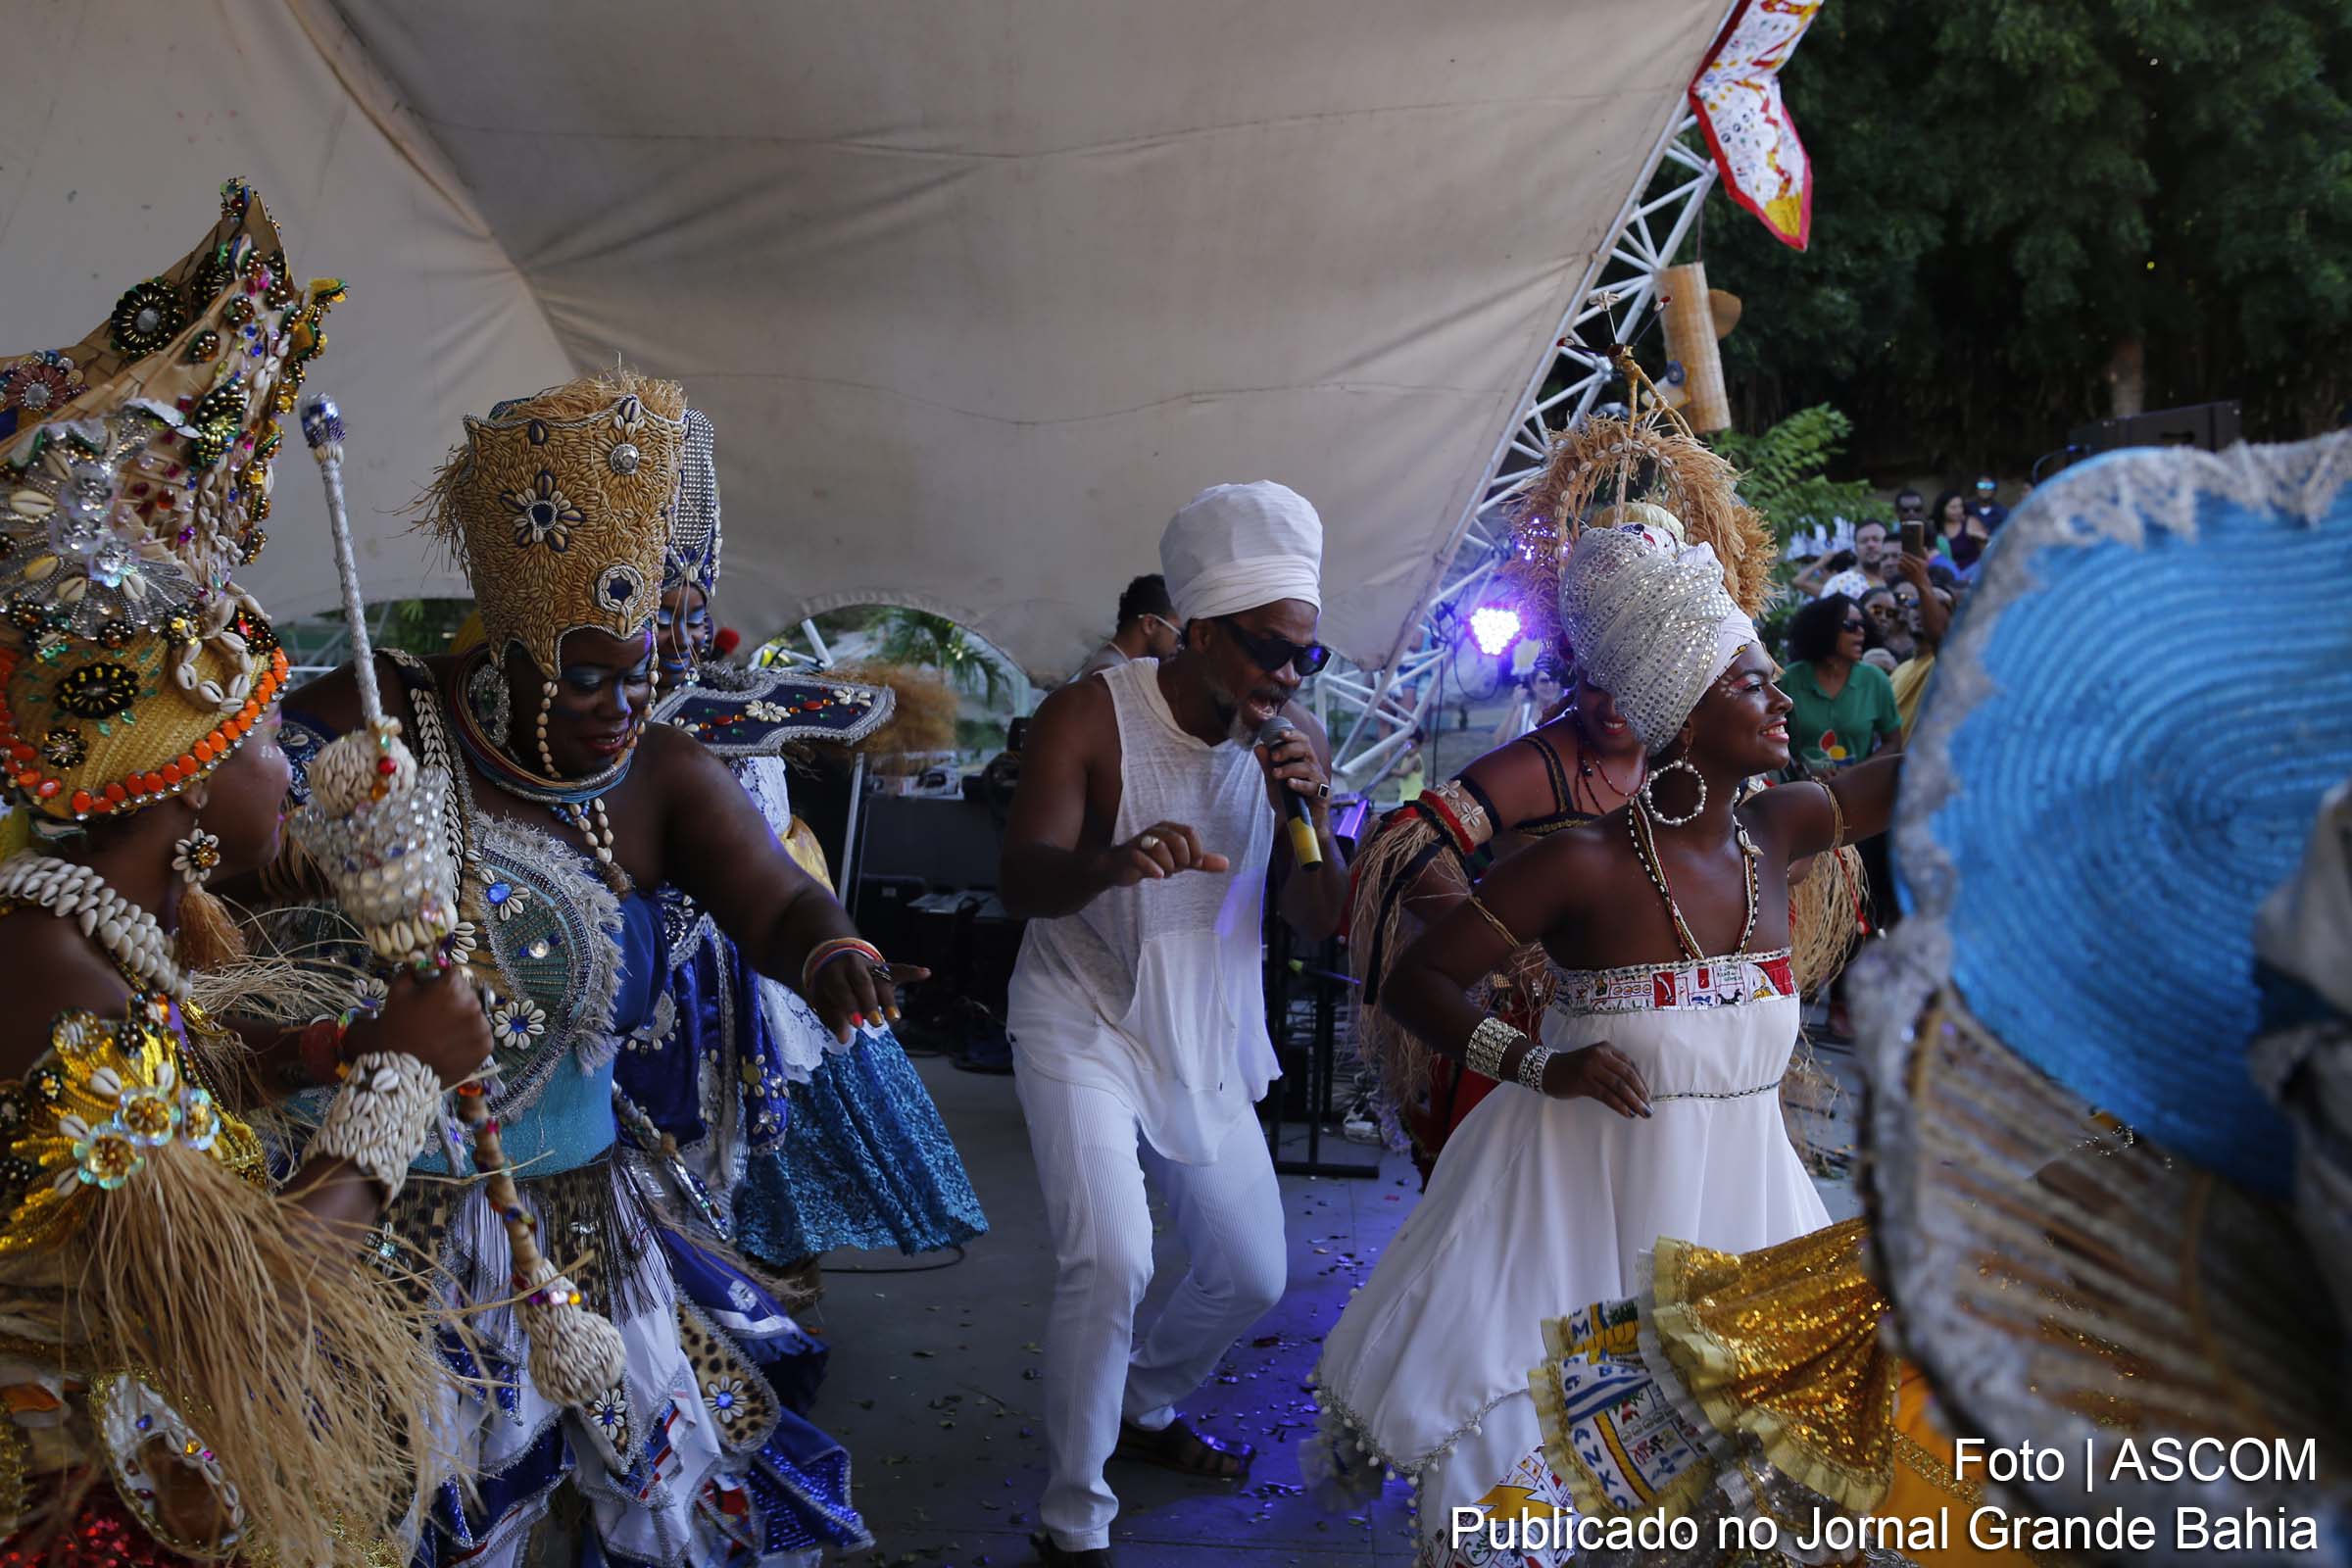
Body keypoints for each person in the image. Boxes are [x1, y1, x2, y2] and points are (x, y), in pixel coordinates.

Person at [275, 369, 894, 1565]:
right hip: (373, 1214)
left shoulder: (657, 772)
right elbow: (235, 843)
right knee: (408, 1514)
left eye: (639, 671)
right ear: (504, 649)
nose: (620, 705)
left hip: (579, 1215)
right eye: (589, 674)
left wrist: (831, 948)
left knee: (668, 1504)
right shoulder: (378, 713)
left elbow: (776, 896)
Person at [0, 179, 495, 1566]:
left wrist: (322, 1050)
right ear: (185, 763)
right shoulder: (49, 962)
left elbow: (153, 1120)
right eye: (271, 731)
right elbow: (252, 1306)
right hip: (68, 1496)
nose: (292, 761)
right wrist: (397, 1085)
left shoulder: (95, 937)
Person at [1307, 526, 1900, 1564]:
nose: (1781, 702)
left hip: (1743, 1211)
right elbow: (1415, 984)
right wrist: (1542, 1064)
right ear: (1687, 712)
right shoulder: (1581, 863)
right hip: (1576, 1215)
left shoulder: (1780, 829)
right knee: (1541, 1496)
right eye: (1752, 685)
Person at [1000, 481, 1348, 1567]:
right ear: (1199, 632)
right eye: (1269, 650)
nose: (1288, 676)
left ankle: (1139, 1402)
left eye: (1306, 655)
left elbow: (1320, 918)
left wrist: (1316, 812)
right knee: (1113, 1257)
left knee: (1252, 1274)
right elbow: (1021, 880)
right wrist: (1114, 862)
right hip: (1085, 1011)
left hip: (1205, 1023)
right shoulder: (1089, 716)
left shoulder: (1293, 741)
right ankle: (1074, 1517)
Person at [629, 408, 986, 1285]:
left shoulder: (745, 719)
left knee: (765, 1161)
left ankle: (771, 1299)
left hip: (747, 968)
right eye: (659, 616)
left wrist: (824, 948)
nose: (679, 639)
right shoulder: (589, 729)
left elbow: (778, 875)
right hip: (628, 985)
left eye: (694, 615)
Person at [1778, 593, 1902, 773]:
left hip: (1857, 789)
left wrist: (1856, 774)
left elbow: (1893, 743)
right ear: (1825, 628)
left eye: (1863, 625)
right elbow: (1769, 737)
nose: (1861, 631)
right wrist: (1798, 768)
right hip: (1798, 787)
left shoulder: (1875, 680)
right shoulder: (1790, 679)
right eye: (1851, 625)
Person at [1070, 573, 1182, 683]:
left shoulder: (1115, 665)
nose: (1179, 647)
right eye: (1179, 636)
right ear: (1150, 624)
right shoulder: (1110, 676)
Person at [1889, 560, 1954, 737]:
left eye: (1936, 605)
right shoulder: (1900, 669)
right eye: (1915, 604)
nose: (1921, 610)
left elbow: (1938, 636)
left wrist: (1922, 583)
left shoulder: (1950, 660)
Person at [1857, 582, 1914, 662]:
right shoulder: (1843, 648)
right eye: (1876, 609)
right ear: (1860, 608)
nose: (1883, 618)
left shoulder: (1894, 661)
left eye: (1890, 613)